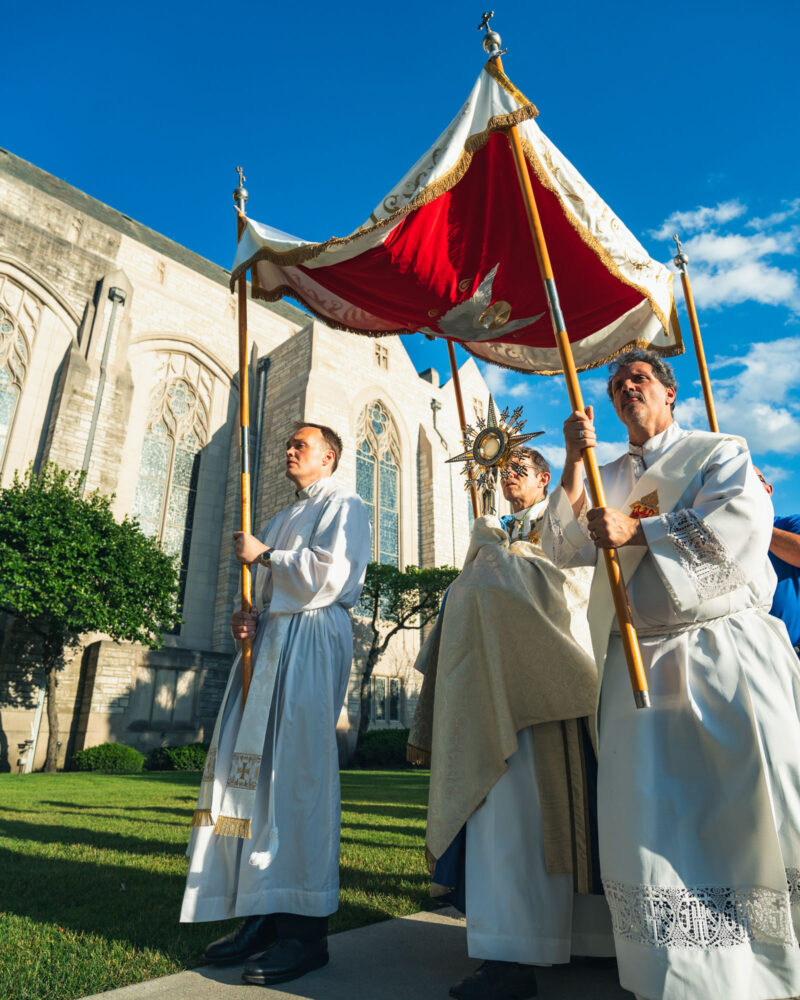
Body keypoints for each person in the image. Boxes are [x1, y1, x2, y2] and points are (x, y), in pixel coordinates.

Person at [542, 349, 800, 1000]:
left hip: (721, 655)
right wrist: (574, 461)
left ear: (669, 394)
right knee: (654, 824)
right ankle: (677, 979)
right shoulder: (606, 474)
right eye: (617, 383)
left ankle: (767, 973)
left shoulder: (718, 451)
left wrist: (637, 529)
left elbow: (740, 528)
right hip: (639, 668)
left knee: (742, 815)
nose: (627, 388)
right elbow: (562, 545)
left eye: (640, 379)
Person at [409, 448, 614, 1000]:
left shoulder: (554, 523)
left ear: (545, 480)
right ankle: (509, 952)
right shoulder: (492, 533)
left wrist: (574, 457)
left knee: (546, 819)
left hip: (544, 686)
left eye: (521, 469)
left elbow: (566, 575)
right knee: (501, 823)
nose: (509, 476)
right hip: (486, 692)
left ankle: (582, 942)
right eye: (505, 471)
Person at [180, 423, 371, 988]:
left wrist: (264, 557)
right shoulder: (279, 517)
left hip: (313, 639)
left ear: (329, 457)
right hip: (269, 646)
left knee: (296, 776)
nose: (290, 451)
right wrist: (250, 619)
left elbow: (331, 576)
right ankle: (260, 912)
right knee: (250, 777)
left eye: (301, 445)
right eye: (287, 444)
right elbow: (268, 592)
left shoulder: (348, 504)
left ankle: (304, 931)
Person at [755, 467, 800, 651]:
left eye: (751, 480)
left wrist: (757, 528)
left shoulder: (789, 524)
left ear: (768, 490)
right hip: (751, 655)